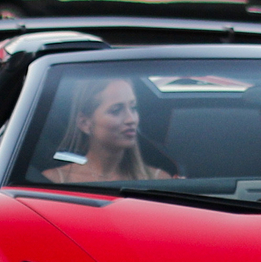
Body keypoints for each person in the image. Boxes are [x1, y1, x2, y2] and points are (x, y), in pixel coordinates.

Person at [41, 78, 174, 184]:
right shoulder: (55, 180)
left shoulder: (158, 180)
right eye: (116, 110)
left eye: (133, 108)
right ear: (84, 123)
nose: (131, 119)